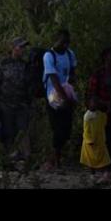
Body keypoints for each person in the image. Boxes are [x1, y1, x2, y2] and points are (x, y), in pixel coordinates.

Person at [0, 37, 33, 162]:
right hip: (5, 104)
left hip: (21, 104)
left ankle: (26, 157)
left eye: (24, 47)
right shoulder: (3, 63)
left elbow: (29, 85)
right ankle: (8, 158)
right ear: (13, 48)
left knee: (23, 130)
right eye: (20, 47)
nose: (23, 50)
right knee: (7, 132)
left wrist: (30, 103)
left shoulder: (25, 65)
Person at [43, 29, 78, 170]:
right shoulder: (49, 56)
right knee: (57, 128)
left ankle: (54, 156)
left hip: (66, 93)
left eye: (67, 42)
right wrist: (64, 97)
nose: (65, 45)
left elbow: (72, 73)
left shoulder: (70, 54)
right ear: (56, 40)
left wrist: (71, 91)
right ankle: (55, 159)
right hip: (53, 96)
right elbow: (53, 78)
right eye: (62, 41)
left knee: (67, 129)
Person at [80, 96, 111, 184]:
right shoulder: (87, 116)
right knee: (90, 159)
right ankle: (92, 175)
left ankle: (105, 174)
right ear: (88, 105)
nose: (94, 104)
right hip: (90, 142)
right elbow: (86, 130)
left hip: (100, 141)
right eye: (92, 103)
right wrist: (89, 140)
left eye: (96, 103)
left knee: (105, 158)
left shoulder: (100, 114)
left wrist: (107, 110)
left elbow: (104, 122)